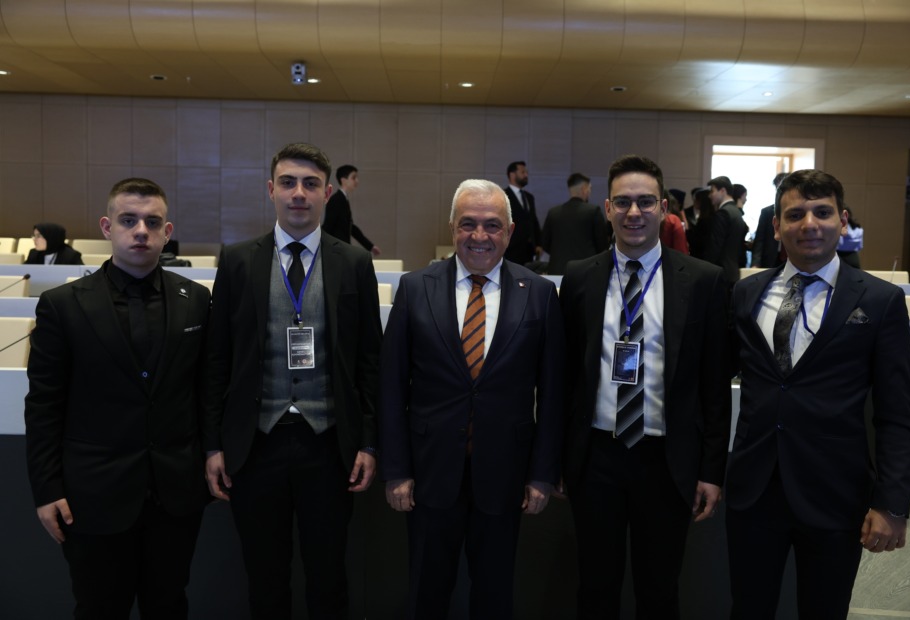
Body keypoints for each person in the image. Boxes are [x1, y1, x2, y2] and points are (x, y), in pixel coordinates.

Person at [727, 169, 910, 620]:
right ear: (776, 227)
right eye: (795, 215)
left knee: (825, 610)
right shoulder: (746, 293)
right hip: (754, 490)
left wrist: (891, 503)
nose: (809, 224)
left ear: (842, 221)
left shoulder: (880, 301)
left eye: (822, 212)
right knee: (748, 608)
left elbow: (895, 413)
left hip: (835, 493)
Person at [203, 143, 382, 619]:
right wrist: (213, 444)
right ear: (271, 190)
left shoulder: (354, 262)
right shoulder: (238, 260)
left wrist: (368, 441)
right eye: (287, 182)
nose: (298, 193)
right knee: (265, 578)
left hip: (330, 445)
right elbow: (218, 359)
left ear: (327, 193)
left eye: (309, 184)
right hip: (255, 444)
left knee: (329, 577)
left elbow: (370, 360)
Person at [25, 178, 211, 618]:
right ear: (107, 227)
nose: (141, 231)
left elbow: (205, 392)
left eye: (152, 222)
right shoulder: (62, 305)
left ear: (167, 232)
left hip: (175, 493)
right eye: (129, 220)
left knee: (169, 605)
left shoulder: (196, 301)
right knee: (99, 608)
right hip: (92, 494)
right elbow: (45, 405)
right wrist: (46, 489)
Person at [379, 179, 565, 618]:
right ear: (452, 227)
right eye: (468, 224)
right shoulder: (415, 287)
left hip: (506, 475)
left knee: (494, 596)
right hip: (428, 475)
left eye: (492, 225)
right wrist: (396, 470)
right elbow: (391, 385)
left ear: (510, 231)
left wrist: (542, 474)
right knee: (426, 594)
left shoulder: (539, 293)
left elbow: (554, 392)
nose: (479, 236)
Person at [560, 155, 731, 619]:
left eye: (645, 202)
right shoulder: (579, 277)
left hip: (667, 461)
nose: (633, 212)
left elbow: (714, 385)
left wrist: (712, 470)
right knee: (595, 586)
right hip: (596, 457)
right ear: (607, 209)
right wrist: (557, 458)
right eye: (622, 202)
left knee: (659, 590)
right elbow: (564, 377)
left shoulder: (703, 280)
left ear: (664, 208)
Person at [540, 172, 609, 274]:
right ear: (584, 189)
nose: (589, 192)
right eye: (589, 188)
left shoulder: (553, 213)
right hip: (586, 270)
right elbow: (602, 245)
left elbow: (545, 244)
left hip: (557, 270)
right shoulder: (593, 211)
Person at [321, 164, 382, 256]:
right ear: (343, 180)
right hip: (336, 251)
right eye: (353, 178)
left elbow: (351, 227)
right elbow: (328, 225)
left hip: (342, 249)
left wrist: (370, 246)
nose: (357, 181)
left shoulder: (343, 199)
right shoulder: (336, 200)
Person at [706, 175, 749, 285]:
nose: (710, 195)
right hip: (733, 272)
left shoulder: (723, 213)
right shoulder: (736, 212)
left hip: (721, 274)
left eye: (712, 191)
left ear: (722, 191)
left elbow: (715, 248)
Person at [502, 161, 541, 266]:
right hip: (511, 250)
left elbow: (534, 221)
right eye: (523, 172)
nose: (526, 175)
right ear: (512, 175)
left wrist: (538, 243)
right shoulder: (503, 196)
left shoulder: (529, 197)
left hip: (529, 251)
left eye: (526, 172)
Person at [751, 172, 789, 269]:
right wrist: (755, 263)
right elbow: (759, 240)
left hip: (792, 259)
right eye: (778, 188)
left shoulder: (799, 212)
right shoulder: (767, 212)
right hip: (770, 259)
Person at [685, 188, 715, 261]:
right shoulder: (712, 217)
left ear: (702, 202)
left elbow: (696, 242)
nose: (694, 202)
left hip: (701, 258)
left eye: (696, 200)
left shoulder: (704, 221)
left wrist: (687, 229)